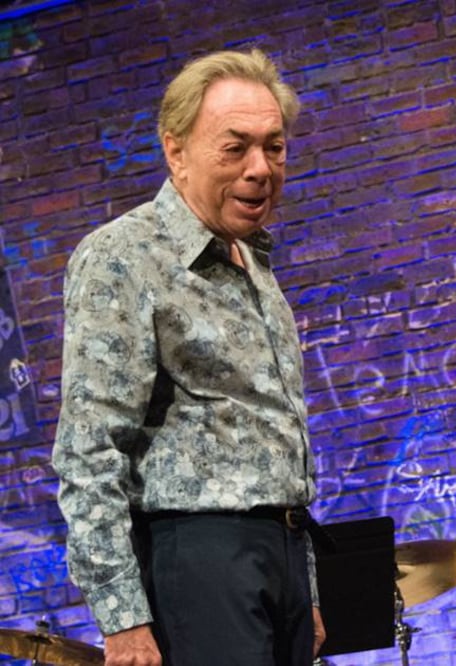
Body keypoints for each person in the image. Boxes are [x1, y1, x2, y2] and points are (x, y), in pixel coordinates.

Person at [52, 49, 326, 666]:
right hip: (199, 560)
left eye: (274, 147)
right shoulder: (123, 257)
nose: (261, 169)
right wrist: (122, 616)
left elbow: (275, 434)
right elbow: (89, 448)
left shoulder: (254, 263)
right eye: (236, 148)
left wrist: (301, 584)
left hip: (276, 554)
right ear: (176, 152)